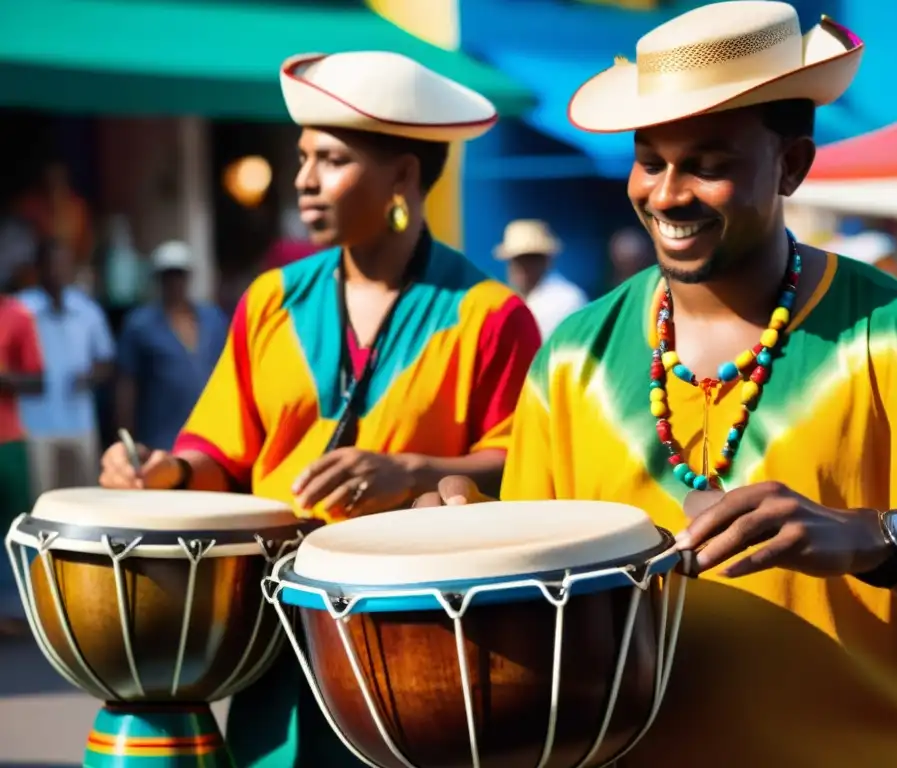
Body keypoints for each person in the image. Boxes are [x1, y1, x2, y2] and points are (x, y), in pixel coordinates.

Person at [413, 5, 897, 767]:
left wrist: (873, 540)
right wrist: (466, 551)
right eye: (650, 159)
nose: (667, 194)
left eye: (707, 163)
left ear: (792, 165)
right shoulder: (573, 356)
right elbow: (549, 607)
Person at [98, 50, 542, 766]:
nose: (303, 179)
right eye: (303, 157)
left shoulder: (491, 315)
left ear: (403, 175)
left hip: (422, 641)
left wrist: (411, 471)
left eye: (329, 159)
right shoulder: (270, 299)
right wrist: (166, 473)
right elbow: (222, 454)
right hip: (272, 634)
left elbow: (526, 474)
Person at [18, 239, 114, 492]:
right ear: (38, 269)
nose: (57, 271)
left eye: (63, 264)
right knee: (42, 498)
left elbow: (105, 360)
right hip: (35, 423)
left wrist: (91, 376)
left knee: (85, 497)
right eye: (51, 264)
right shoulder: (21, 309)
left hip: (80, 421)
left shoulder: (87, 309)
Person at [115, 241, 229, 451]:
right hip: (160, 437)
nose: (175, 282)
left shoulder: (213, 319)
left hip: (210, 436)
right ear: (159, 279)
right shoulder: (140, 324)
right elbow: (127, 383)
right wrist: (128, 439)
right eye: (169, 275)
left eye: (180, 274)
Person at [0, 272, 43, 636]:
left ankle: (26, 610)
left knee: (16, 528)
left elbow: (37, 380)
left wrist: (5, 379)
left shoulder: (18, 315)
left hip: (8, 440)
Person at [494, 219, 588, 339]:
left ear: (546, 261)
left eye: (530, 259)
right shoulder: (507, 298)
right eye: (516, 260)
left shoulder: (567, 299)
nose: (522, 267)